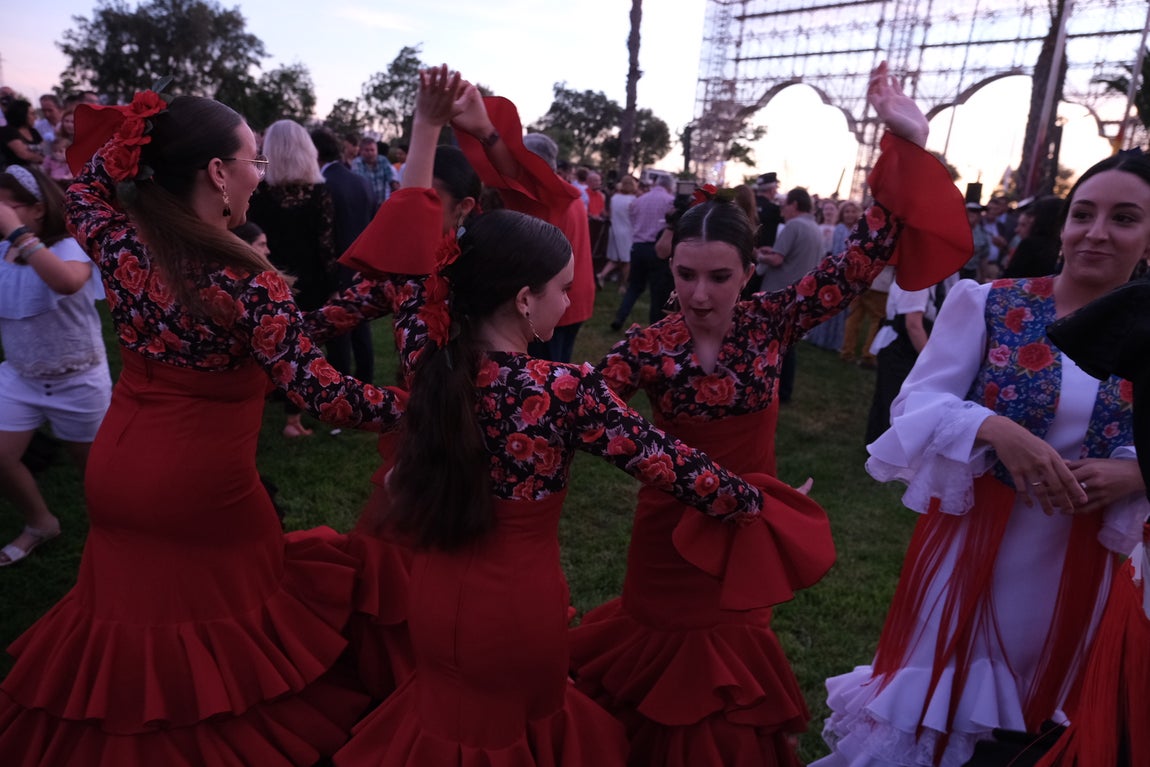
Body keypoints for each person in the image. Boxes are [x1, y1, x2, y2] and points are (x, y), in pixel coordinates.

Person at [331, 64, 790, 767]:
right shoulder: (562, 390)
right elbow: (683, 472)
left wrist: (427, 129)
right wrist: (766, 502)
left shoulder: (428, 352)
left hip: (438, 601)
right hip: (520, 616)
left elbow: (414, 261)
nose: (571, 297)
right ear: (522, 299)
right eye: (561, 286)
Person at [569, 62, 974, 767]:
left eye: (718, 276)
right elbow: (583, 415)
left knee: (723, 687)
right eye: (685, 274)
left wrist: (907, 143)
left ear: (749, 271)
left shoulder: (770, 322)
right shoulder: (648, 345)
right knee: (656, 676)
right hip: (667, 543)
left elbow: (868, 252)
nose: (698, 293)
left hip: (747, 537)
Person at [0, 90, 408, 766]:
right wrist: (412, 404)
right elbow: (319, 391)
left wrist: (143, 131)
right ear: (218, 172)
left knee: (130, 628)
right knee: (229, 630)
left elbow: (91, 183)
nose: (262, 173)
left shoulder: (119, 238)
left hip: (117, 465)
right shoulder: (248, 281)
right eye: (252, 159)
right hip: (200, 486)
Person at [816, 150, 1150, 767]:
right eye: (1084, 214)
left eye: (1124, 218)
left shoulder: (1148, 330)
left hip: (1087, 560)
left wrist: (1136, 471)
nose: (1097, 232)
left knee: (1043, 720)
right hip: (974, 549)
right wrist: (996, 428)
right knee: (942, 709)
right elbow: (916, 401)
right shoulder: (991, 303)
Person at [0, 165, 110, 567]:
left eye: (7, 205)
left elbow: (65, 282)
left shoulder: (69, 246)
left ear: (38, 209)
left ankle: (114, 532)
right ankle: (39, 521)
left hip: (78, 378)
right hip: (20, 374)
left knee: (95, 472)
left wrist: (17, 233)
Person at [247, 118, 338, 437]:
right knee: (301, 347)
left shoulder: (257, 191)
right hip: (311, 280)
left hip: (269, 277)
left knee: (265, 342)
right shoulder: (319, 193)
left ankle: (260, 403)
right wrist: (334, 284)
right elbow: (326, 246)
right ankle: (293, 418)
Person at [1002, 195, 1063, 278]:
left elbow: (1010, 278)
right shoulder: (1061, 246)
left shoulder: (1030, 244)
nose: (1031, 219)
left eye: (1035, 214)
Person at [598, 174, 638, 288]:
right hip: (627, 232)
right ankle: (623, 285)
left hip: (614, 229)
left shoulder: (615, 198)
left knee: (615, 258)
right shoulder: (633, 200)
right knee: (626, 260)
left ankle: (601, 275)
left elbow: (610, 213)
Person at [1, 99, 44, 168]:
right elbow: (23, 154)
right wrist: (44, 159)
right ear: (21, 114)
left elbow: (45, 149)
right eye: (32, 114)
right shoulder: (8, 131)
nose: (35, 117)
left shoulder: (33, 131)